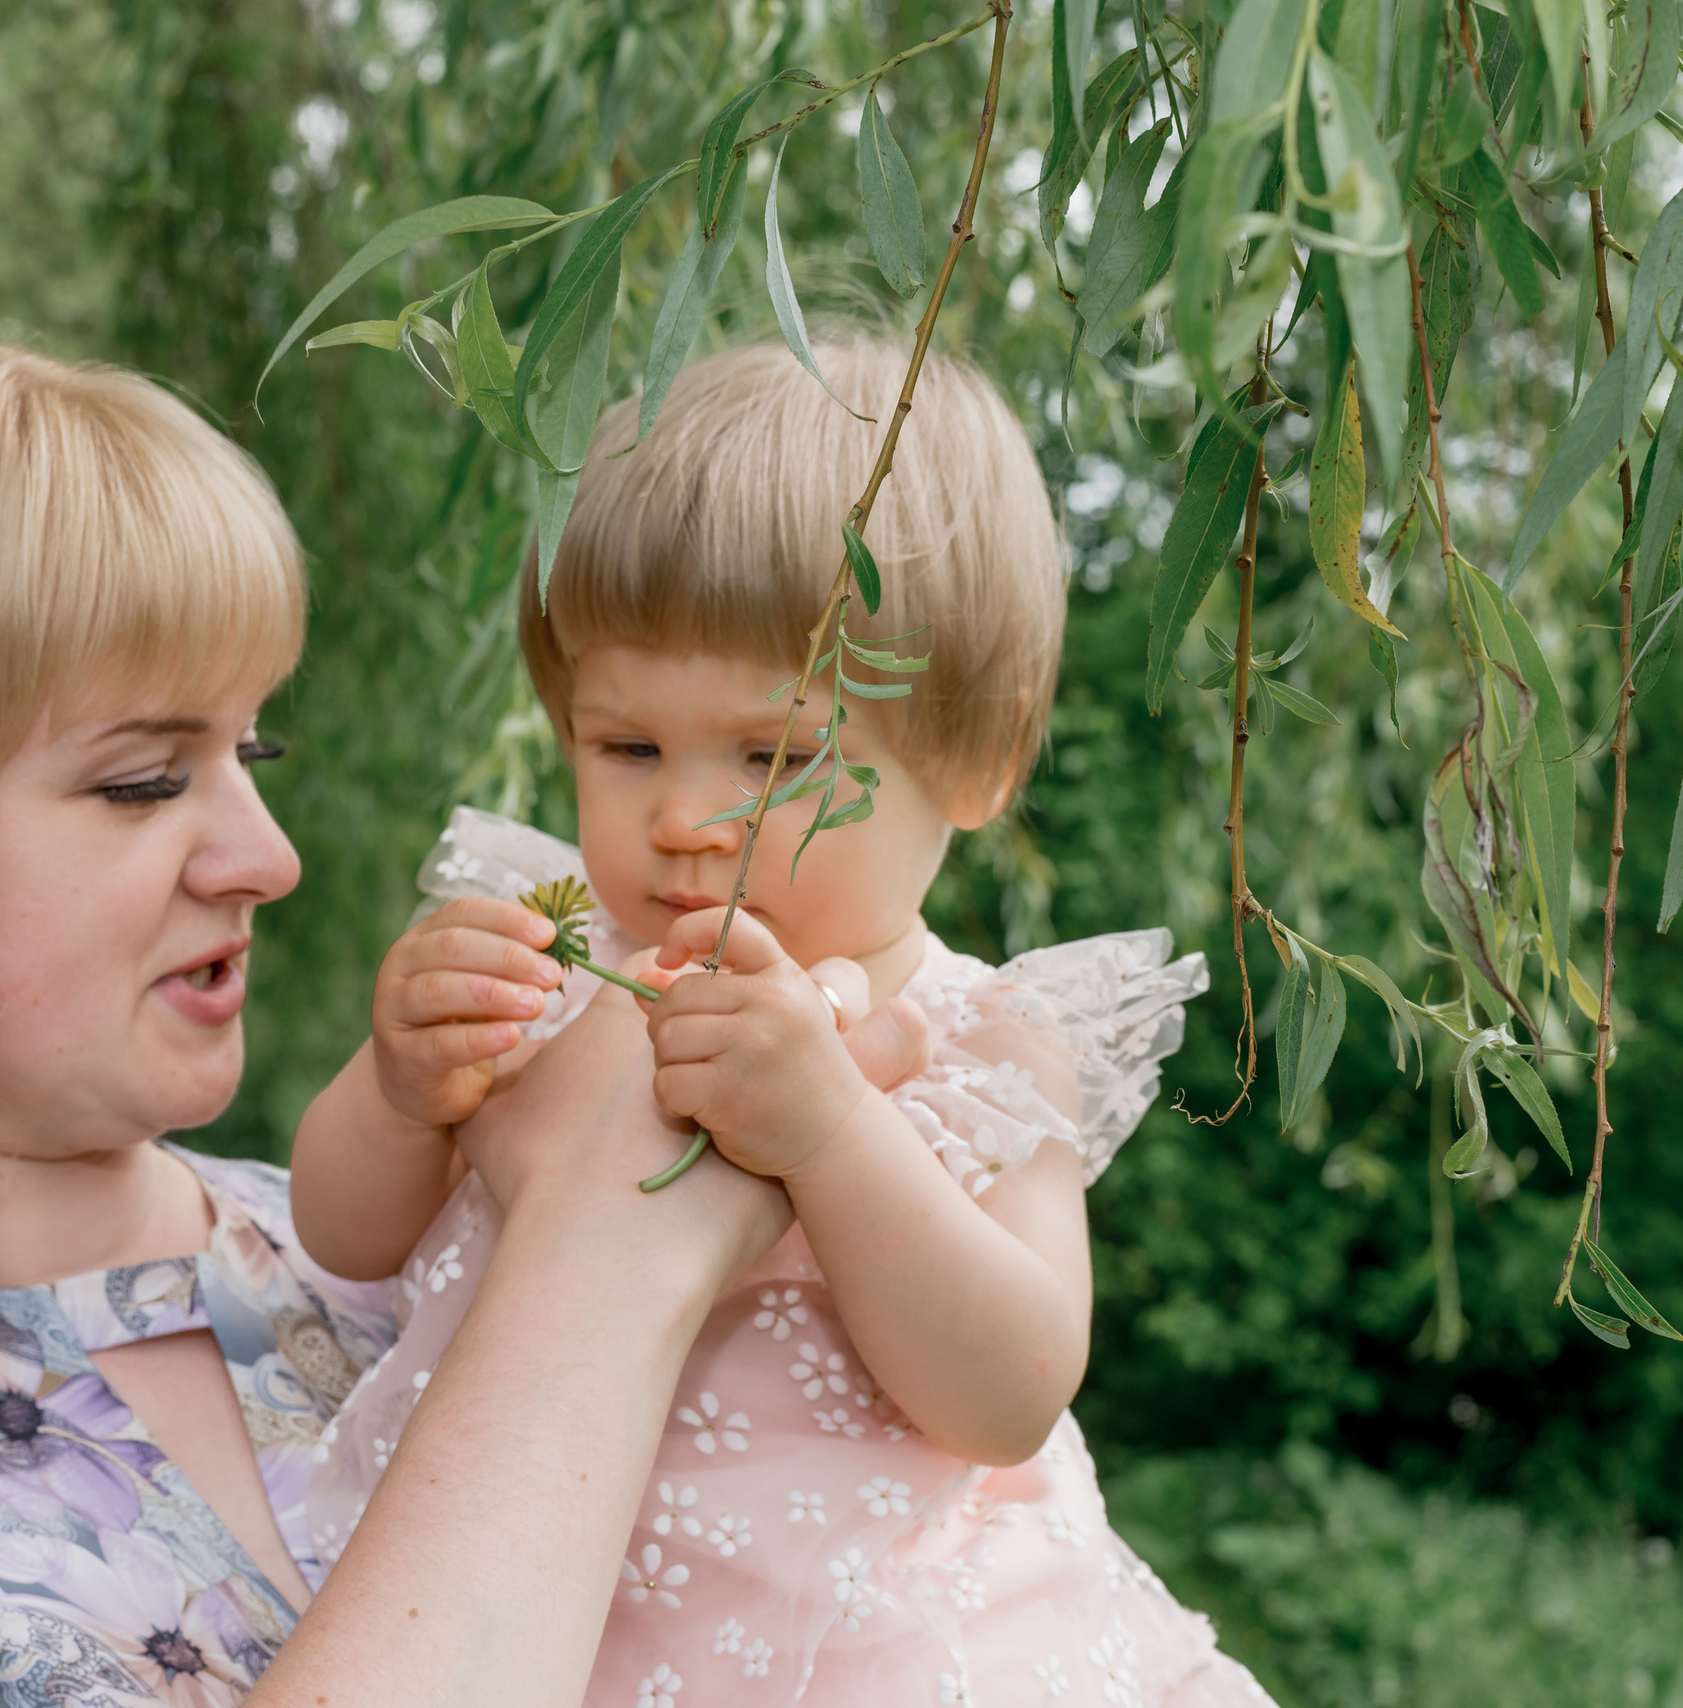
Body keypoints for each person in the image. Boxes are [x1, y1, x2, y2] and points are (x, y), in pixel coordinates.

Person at [0, 317, 935, 1707]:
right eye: (144, 779)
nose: (270, 859)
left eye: (255, 746)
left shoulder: (396, 1243)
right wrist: (600, 1270)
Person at [287, 340, 1275, 1703]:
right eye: (624, 746)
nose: (686, 818)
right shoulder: (553, 956)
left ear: (978, 758)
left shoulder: (974, 1039)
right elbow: (343, 1235)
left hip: (866, 1653)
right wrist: (403, 1092)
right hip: (505, 1620)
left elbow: (1010, 1389)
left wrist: (832, 1132)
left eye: (777, 756)